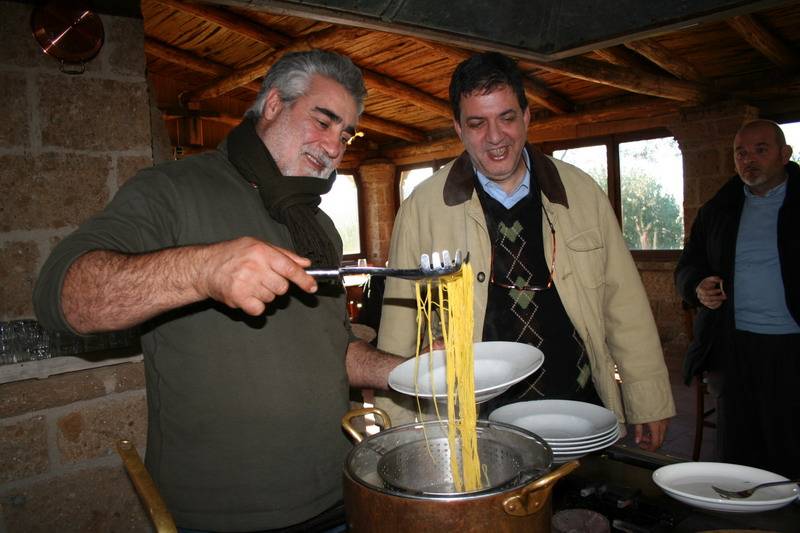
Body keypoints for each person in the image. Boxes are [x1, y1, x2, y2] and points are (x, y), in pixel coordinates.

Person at [33, 50, 403, 532]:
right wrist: (203, 270)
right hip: (224, 516)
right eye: (323, 121)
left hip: (338, 494)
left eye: (345, 134)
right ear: (274, 104)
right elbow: (65, 298)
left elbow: (334, 350)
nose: (334, 146)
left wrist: (407, 372)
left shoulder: (318, 226)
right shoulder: (173, 189)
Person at [376, 52, 674, 451]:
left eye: (507, 117)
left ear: (527, 117)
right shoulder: (422, 208)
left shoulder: (583, 193)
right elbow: (399, 327)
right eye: (477, 123)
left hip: (579, 409)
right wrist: (397, 434)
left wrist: (648, 399)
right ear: (458, 129)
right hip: (477, 427)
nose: (495, 137)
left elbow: (625, 306)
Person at [675, 119, 799, 477]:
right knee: (738, 451)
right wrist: (697, 286)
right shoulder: (719, 209)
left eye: (761, 150)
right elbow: (688, 265)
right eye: (741, 153)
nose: (749, 160)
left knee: (790, 443)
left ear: (785, 154)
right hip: (732, 346)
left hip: (792, 346)